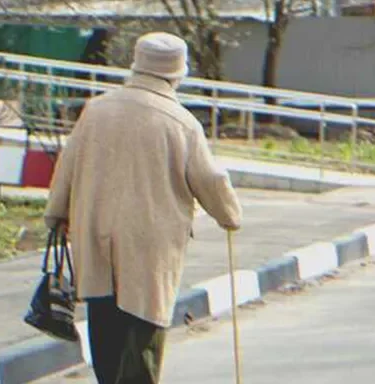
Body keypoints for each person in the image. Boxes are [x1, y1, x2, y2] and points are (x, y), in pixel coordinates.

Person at [44, 31, 242, 384]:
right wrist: (229, 215)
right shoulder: (181, 123)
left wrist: (55, 213)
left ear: (136, 65)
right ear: (177, 73)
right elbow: (210, 180)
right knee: (143, 337)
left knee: (105, 331)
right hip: (149, 251)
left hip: (96, 240)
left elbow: (67, 167)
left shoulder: (97, 109)